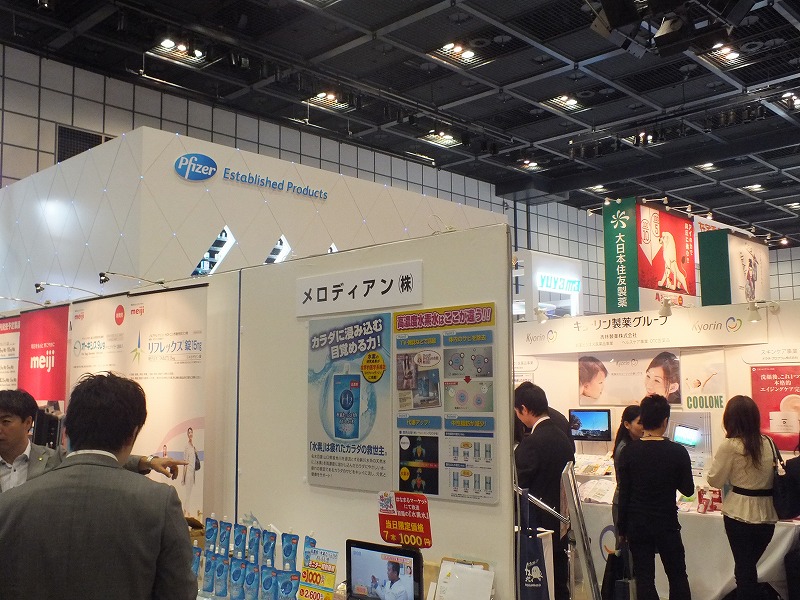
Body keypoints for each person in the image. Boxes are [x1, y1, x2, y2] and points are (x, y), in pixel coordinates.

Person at [0, 372, 196, 599]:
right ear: (132, 434)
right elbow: (178, 592)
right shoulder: (159, 502)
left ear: (67, 431)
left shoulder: (10, 503)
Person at [0, 389, 183, 493]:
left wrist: (148, 461)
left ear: (28, 423)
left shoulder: (52, 458)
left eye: (6, 421)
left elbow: (96, 459)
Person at [617, 394, 693, 600]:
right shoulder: (678, 451)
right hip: (667, 523)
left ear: (643, 419)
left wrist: (622, 529)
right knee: (677, 575)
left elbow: (624, 493)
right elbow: (688, 490)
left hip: (637, 524)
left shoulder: (629, 452)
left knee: (644, 578)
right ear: (665, 421)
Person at [707, 395, 778, 600]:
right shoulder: (769, 442)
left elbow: (714, 480)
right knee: (748, 567)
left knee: (744, 570)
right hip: (767, 514)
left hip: (738, 513)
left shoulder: (730, 445)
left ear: (729, 419)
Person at [514, 382, 575, 600]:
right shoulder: (562, 437)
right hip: (560, 521)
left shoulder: (532, 443)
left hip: (538, 524)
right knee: (559, 581)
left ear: (524, 409)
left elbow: (518, 482)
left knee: (539, 583)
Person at [611, 405, 643, 529]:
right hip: (624, 505)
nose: (644, 426)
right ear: (627, 424)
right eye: (639, 423)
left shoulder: (634, 444)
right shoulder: (625, 449)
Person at [182, 426, 198, 514]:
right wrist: (183, 477)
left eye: (191, 432)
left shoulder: (193, 446)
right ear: (187, 434)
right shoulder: (186, 447)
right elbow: (185, 462)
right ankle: (186, 511)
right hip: (188, 472)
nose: (190, 434)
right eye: (189, 432)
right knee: (187, 493)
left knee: (190, 493)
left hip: (193, 473)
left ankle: (186, 510)